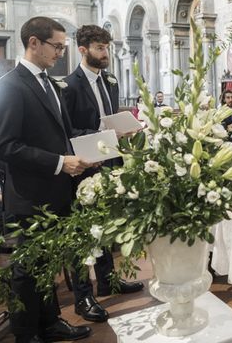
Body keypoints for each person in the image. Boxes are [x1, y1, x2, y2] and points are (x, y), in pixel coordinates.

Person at [0, 16, 93, 343]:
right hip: (29, 195)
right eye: (56, 46)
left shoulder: (51, 83)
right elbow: (6, 146)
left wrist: (99, 141)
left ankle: (50, 323)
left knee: (49, 262)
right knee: (27, 271)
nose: (60, 53)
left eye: (63, 47)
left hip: (56, 191)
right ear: (34, 43)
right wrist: (58, 163)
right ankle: (27, 334)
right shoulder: (10, 84)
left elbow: (63, 135)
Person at [62, 25, 144, 323]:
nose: (105, 53)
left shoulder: (110, 81)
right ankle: (83, 295)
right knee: (84, 233)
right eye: (99, 48)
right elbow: (67, 132)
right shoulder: (68, 86)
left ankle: (109, 280)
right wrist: (101, 134)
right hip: (84, 168)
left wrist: (122, 132)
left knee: (107, 225)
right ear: (83, 50)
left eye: (107, 47)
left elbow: (110, 120)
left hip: (111, 164)